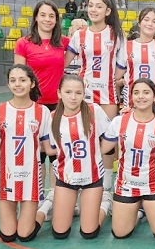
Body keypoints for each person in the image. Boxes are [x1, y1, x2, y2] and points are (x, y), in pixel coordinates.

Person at [0, 64, 52, 243]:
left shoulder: (42, 112)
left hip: (31, 179)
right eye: (13, 80)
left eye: (22, 80)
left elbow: (49, 148)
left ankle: (46, 207)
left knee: (25, 235)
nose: (17, 84)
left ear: (32, 84)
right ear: (8, 84)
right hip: (5, 179)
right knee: (8, 236)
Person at [64, 0, 124, 203]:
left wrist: (111, 80)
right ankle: (82, 181)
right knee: (82, 137)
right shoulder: (79, 35)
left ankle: (106, 185)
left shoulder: (116, 34)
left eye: (99, 6)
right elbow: (63, 61)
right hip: (84, 96)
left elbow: (121, 66)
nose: (94, 9)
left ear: (107, 11)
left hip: (107, 96)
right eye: (91, 5)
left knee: (107, 141)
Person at [101, 78, 155, 241]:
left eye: (146, 92)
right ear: (131, 96)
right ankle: (140, 213)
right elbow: (102, 149)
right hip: (126, 184)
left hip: (154, 186)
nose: (141, 97)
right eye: (136, 93)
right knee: (120, 234)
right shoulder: (119, 121)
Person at [41, 74, 111, 240]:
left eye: (78, 93)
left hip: (91, 178)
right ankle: (63, 205)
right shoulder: (51, 117)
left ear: (83, 93)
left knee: (89, 233)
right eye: (68, 92)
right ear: (59, 93)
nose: (73, 97)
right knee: (59, 233)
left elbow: (110, 140)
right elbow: (51, 150)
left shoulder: (94, 111)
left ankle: (106, 203)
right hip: (66, 178)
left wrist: (96, 153)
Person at [14, 0, 70, 111]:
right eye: (43, 15)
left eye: (51, 16)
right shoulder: (23, 43)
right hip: (32, 102)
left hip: (58, 103)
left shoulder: (64, 41)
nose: (47, 19)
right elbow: (18, 76)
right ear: (36, 18)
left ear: (56, 20)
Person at [115, 7, 155, 108]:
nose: (150, 24)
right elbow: (116, 76)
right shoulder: (127, 46)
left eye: (154, 21)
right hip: (131, 101)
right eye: (146, 20)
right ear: (139, 23)